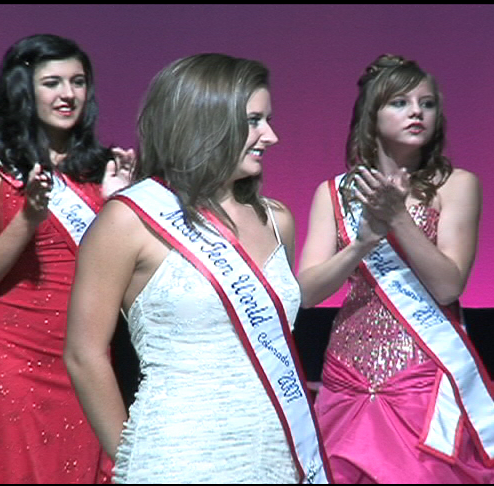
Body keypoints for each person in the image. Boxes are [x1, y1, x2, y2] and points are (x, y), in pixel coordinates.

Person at [63, 53, 331, 484]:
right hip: (175, 457)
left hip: (276, 456)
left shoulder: (277, 220)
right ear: (207, 121)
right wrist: (131, 461)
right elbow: (83, 354)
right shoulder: (128, 221)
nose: (272, 136)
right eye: (254, 120)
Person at [296, 54, 494, 483]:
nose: (417, 111)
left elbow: (447, 285)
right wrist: (363, 243)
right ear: (372, 113)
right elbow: (307, 292)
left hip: (422, 373)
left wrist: (397, 217)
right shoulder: (332, 193)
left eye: (428, 103)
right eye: (400, 102)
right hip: (348, 373)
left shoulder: (457, 185)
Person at [0, 33, 134, 484]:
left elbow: (120, 283)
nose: (68, 94)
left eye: (78, 82)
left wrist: (120, 206)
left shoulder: (102, 169)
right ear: (23, 89)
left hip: (86, 352)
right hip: (11, 355)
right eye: (52, 82)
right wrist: (28, 219)